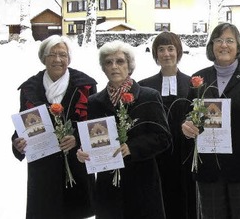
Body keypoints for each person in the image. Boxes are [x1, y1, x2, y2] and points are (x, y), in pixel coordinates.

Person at [181, 23, 240, 219]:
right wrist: (186, 126)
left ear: (238, 46)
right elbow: (189, 116)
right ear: (212, 45)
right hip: (209, 172)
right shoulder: (199, 79)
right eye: (219, 40)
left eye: (230, 40)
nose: (224, 45)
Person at [76, 40, 171, 219]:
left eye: (120, 61)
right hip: (108, 187)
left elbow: (163, 137)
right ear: (103, 68)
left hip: (142, 184)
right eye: (108, 62)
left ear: (129, 66)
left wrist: (132, 148)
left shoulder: (148, 96)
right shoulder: (94, 102)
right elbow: (89, 138)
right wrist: (82, 152)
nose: (114, 66)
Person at [12, 35, 97, 219]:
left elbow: (95, 125)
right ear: (43, 58)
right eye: (52, 54)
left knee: (76, 213)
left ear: (69, 58)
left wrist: (78, 138)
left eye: (63, 55)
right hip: (43, 171)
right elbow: (22, 127)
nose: (58, 59)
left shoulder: (85, 85)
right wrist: (17, 143)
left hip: (76, 166)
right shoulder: (29, 88)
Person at [137, 31, 196, 219]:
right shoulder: (144, 86)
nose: (166, 54)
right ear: (155, 54)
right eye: (161, 50)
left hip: (185, 155)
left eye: (171, 48)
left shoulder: (193, 84)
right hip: (157, 156)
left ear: (178, 51)